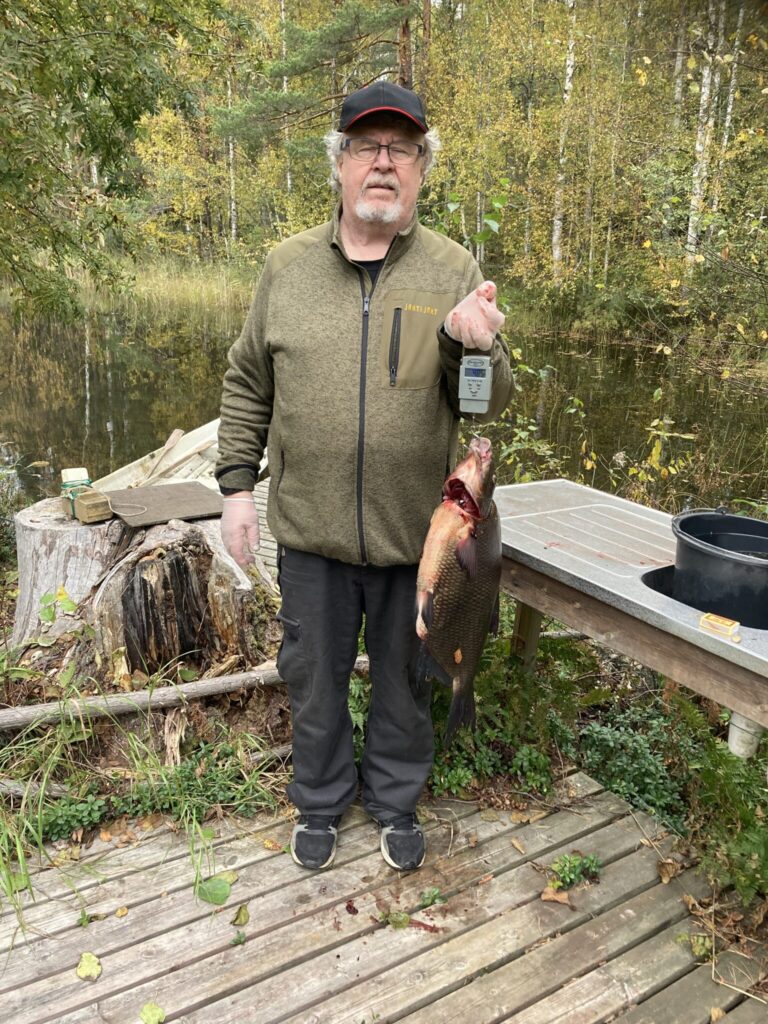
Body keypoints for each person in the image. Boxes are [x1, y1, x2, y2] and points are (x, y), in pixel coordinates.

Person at [216, 81, 512, 873]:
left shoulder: (451, 267)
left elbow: (482, 404)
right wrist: (237, 489)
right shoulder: (286, 267)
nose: (384, 163)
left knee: (406, 681)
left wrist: (477, 348)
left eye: (401, 149)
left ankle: (393, 799)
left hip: (416, 540)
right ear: (340, 163)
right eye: (367, 147)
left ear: (421, 168)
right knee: (311, 678)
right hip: (310, 533)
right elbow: (248, 383)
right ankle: (319, 800)